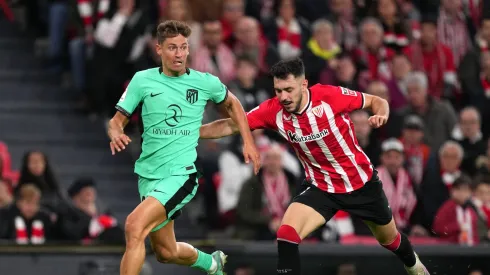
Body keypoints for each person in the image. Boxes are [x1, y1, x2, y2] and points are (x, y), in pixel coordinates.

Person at [200, 58, 430, 275]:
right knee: (286, 235)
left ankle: (414, 265)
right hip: (322, 187)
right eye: (278, 91)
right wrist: (191, 133)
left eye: (289, 90)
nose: (283, 97)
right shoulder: (273, 110)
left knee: (389, 240)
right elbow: (232, 125)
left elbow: (376, 101)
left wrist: (382, 114)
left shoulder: (329, 96)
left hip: (361, 184)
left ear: (304, 85)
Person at [107, 20, 260, 275]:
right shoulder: (142, 80)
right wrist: (115, 132)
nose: (179, 54)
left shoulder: (205, 82)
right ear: (159, 49)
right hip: (148, 175)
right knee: (166, 253)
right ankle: (212, 263)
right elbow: (116, 121)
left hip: (181, 174)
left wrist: (248, 142)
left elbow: (234, 106)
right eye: (172, 48)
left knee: (134, 226)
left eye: (183, 47)